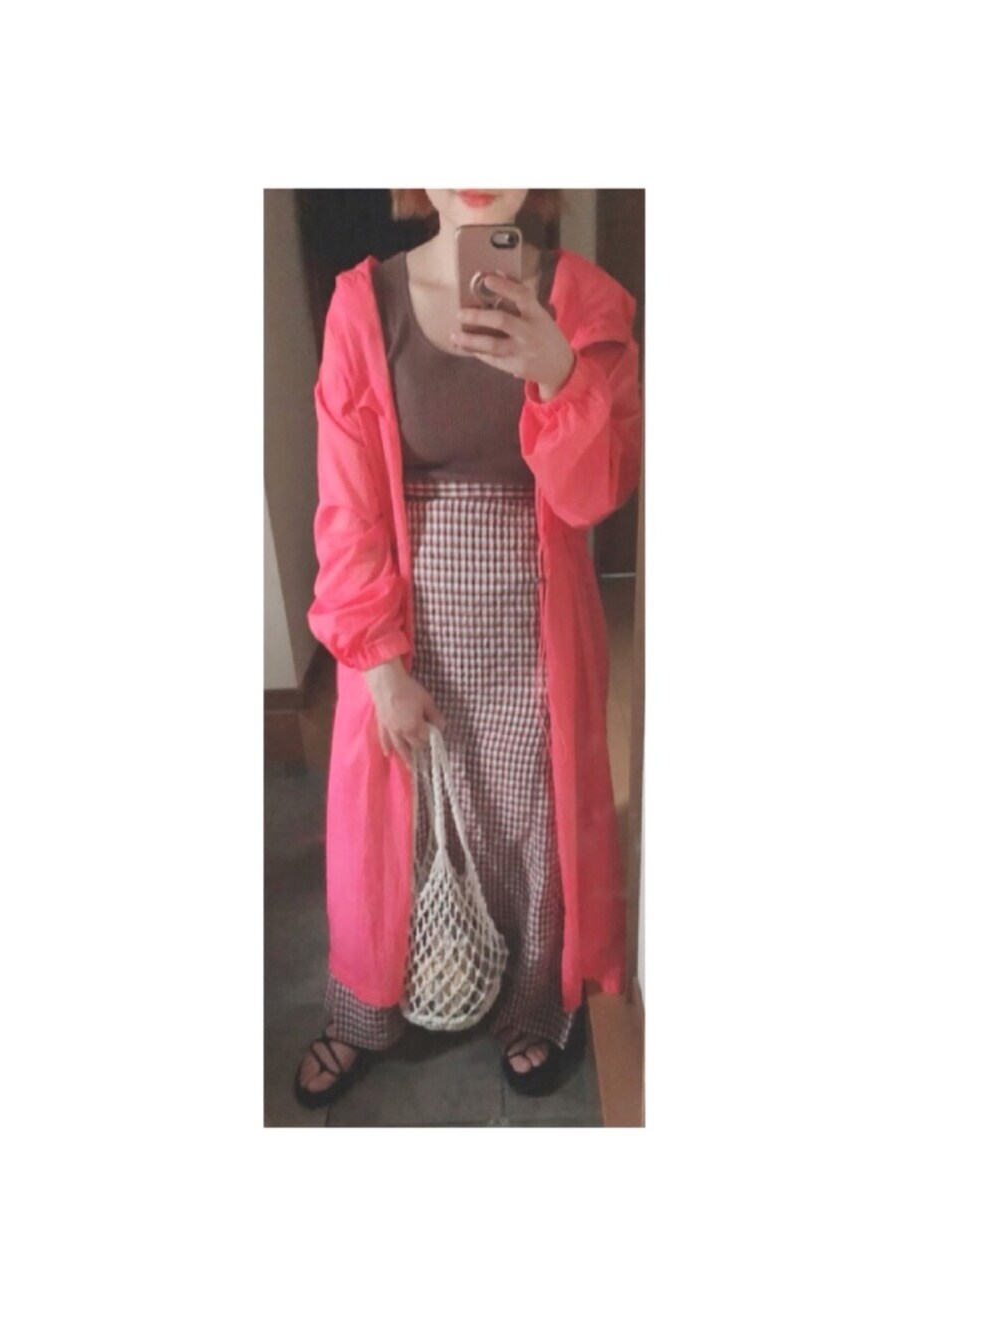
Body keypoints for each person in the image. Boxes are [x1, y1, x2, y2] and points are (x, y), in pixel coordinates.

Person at [294, 189, 642, 1109]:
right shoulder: (365, 305)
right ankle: (366, 1011)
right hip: (404, 637)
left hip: (536, 638)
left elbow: (594, 496)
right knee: (391, 833)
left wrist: (561, 374)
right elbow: (345, 502)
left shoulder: (585, 301)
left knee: (527, 822)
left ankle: (534, 1003)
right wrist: (378, 663)